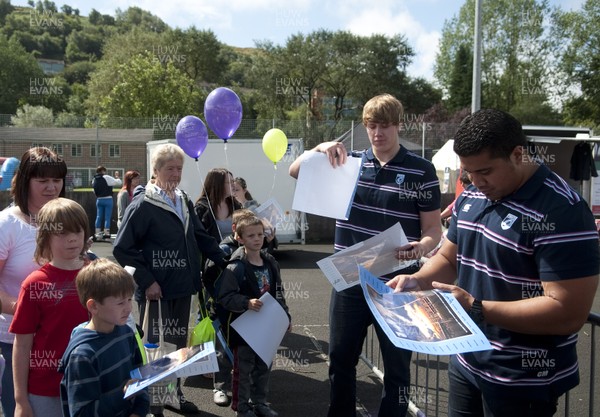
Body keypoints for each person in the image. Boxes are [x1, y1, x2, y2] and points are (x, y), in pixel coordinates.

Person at [387, 109, 600, 417]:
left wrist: (477, 308)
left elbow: (568, 312)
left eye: (484, 171)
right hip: (465, 360)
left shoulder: (562, 210)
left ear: (518, 155)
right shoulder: (472, 195)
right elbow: (449, 257)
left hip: (521, 378)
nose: (475, 181)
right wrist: (418, 280)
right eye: (468, 173)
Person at [289, 93, 442, 417]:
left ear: (398, 125)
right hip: (350, 281)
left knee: (398, 369)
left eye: (385, 125)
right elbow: (295, 170)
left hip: (398, 285)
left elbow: (433, 230)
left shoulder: (421, 170)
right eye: (372, 126)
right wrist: (320, 147)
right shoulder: (347, 163)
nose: (378, 133)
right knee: (341, 361)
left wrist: (422, 247)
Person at [113, 143, 227, 417]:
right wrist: (147, 280)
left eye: (179, 168)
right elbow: (122, 248)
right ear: (156, 170)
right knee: (156, 351)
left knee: (176, 348)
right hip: (157, 293)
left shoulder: (184, 199)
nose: (175, 174)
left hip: (183, 288)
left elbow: (200, 237)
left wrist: (227, 259)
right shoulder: (142, 204)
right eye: (169, 168)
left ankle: (171, 396)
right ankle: (153, 406)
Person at [0, 147, 67, 417]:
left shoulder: (66, 221)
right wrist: (23, 309)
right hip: (12, 341)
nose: (52, 187)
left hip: (60, 337)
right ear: (25, 181)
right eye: (43, 181)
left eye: (57, 180)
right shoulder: (7, 225)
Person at [10, 198, 91, 417]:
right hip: (45, 392)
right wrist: (20, 400)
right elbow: (22, 344)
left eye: (78, 230)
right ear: (45, 237)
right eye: (62, 233)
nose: (73, 238)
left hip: (93, 386)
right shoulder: (34, 284)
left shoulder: (98, 276)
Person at [216, 215, 291, 417]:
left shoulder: (270, 262)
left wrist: (285, 316)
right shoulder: (235, 267)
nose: (257, 239)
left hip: (266, 327)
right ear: (239, 238)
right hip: (244, 330)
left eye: (260, 234)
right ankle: (241, 408)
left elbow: (278, 292)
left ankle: (260, 403)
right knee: (243, 370)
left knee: (264, 367)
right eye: (250, 235)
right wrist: (245, 303)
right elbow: (225, 297)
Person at [58, 258, 149, 417]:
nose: (128, 308)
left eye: (129, 299)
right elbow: (81, 412)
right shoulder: (82, 355)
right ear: (93, 306)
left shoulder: (127, 333)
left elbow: (140, 376)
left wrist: (139, 411)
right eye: (120, 303)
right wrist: (125, 394)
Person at [203, 208, 256, 407]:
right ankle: (220, 387)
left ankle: (244, 389)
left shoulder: (257, 249)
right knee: (223, 351)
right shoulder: (224, 250)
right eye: (248, 232)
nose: (254, 237)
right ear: (236, 230)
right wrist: (215, 303)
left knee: (246, 351)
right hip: (225, 310)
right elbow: (208, 277)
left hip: (249, 309)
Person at [195, 168, 242, 243]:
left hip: (236, 252)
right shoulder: (202, 208)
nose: (234, 185)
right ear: (218, 184)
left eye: (233, 181)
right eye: (229, 182)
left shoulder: (236, 205)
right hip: (213, 252)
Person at [92, 165, 122, 240]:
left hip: (99, 200)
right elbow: (119, 183)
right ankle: (106, 234)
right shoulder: (106, 177)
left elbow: (94, 190)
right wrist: (117, 177)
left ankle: (97, 234)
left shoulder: (94, 180)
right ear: (103, 171)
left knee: (98, 217)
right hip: (108, 199)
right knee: (107, 217)